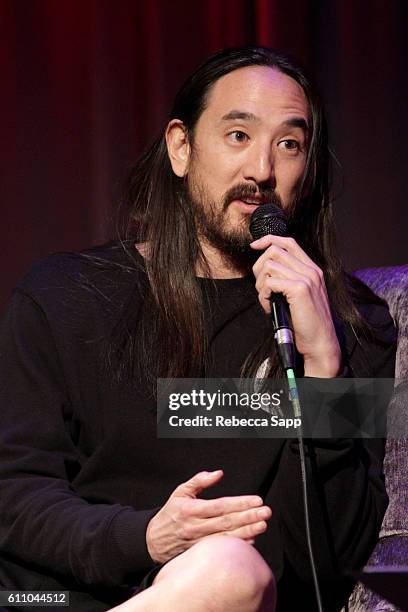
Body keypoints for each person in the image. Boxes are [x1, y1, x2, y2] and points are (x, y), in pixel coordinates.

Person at [0, 47, 396, 611]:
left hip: (236, 594)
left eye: (289, 144)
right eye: (238, 135)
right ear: (181, 148)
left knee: (227, 569)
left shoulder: (352, 324)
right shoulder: (65, 295)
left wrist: (323, 368)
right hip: (57, 597)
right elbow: (13, 492)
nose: (262, 169)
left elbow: (333, 556)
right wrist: (146, 538)